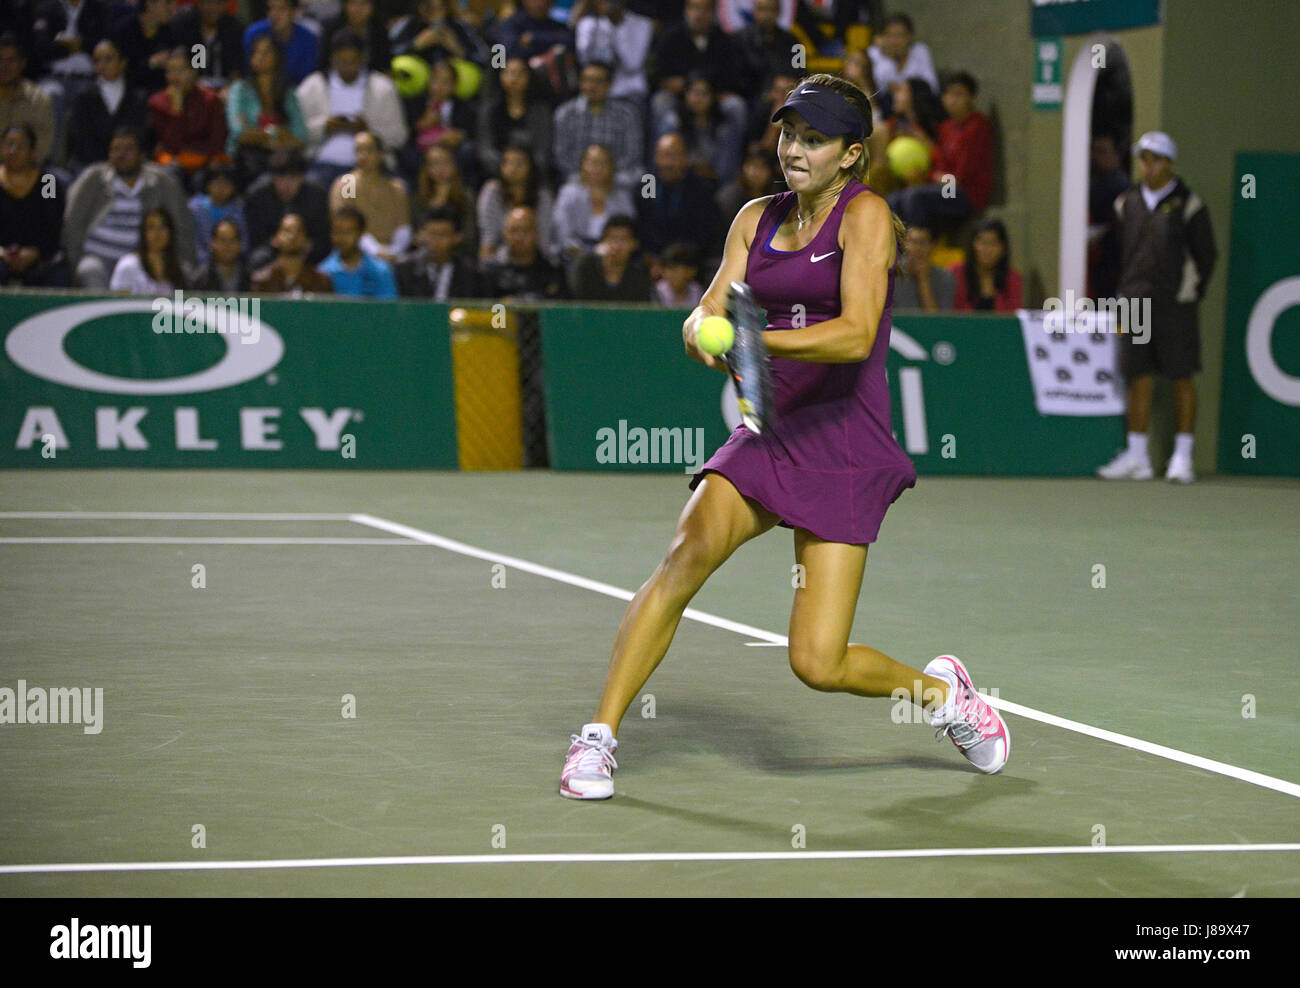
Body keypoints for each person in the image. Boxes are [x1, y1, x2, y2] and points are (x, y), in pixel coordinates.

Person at [560, 73, 1010, 800]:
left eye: (814, 138)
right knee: (684, 555)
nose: (794, 150)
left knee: (817, 663)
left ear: (852, 154)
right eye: (789, 134)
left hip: (845, 444)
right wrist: (700, 334)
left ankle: (945, 696)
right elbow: (705, 311)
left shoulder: (865, 219)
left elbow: (858, 333)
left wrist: (758, 340)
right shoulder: (754, 218)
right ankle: (598, 739)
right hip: (768, 435)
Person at [1097, 131, 1216, 484]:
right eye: (1143, 159)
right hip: (1133, 301)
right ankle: (1137, 458)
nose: (1147, 166)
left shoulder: (1189, 203)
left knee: (1181, 377)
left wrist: (1188, 291)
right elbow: (1114, 254)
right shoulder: (1126, 202)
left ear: (1170, 164)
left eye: (1154, 159)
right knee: (1138, 376)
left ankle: (1182, 457)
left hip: (1175, 304)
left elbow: (1206, 255)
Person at [64, 126, 195, 288]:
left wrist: (185, 263)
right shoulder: (93, 179)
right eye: (115, 149)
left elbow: (182, 227)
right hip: (98, 257)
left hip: (144, 262)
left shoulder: (163, 183)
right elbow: (72, 224)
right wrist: (74, 264)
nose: (121, 155)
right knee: (89, 269)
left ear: (142, 155)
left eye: (128, 149)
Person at [296, 29, 408, 188]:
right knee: (321, 193)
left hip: (370, 166)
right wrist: (325, 126)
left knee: (397, 189)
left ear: (363, 59)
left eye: (353, 62)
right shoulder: (313, 86)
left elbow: (399, 136)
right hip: (325, 164)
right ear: (332, 60)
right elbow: (297, 133)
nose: (348, 67)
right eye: (342, 62)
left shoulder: (383, 88)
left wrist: (368, 130)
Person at [887, 71, 993, 233]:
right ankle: (896, 249)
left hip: (966, 193)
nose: (952, 100)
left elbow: (961, 175)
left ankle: (917, 247)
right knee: (894, 199)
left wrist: (937, 177)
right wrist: (933, 176)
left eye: (959, 94)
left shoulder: (977, 126)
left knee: (915, 197)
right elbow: (940, 164)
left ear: (971, 97)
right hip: (945, 185)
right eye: (948, 95)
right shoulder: (946, 127)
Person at [225, 32, 308, 177]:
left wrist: (258, 134)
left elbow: (301, 136)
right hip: (246, 158)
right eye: (256, 52)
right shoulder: (240, 89)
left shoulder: (288, 93)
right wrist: (278, 135)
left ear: (277, 57)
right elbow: (239, 132)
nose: (260, 57)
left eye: (266, 52)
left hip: (282, 160)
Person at [553, 60, 643, 192]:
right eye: (587, 80)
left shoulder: (626, 114)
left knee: (645, 178)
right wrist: (589, 177)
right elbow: (562, 156)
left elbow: (632, 154)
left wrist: (606, 177)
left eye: (598, 81)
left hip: (616, 179)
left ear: (609, 85)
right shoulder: (565, 113)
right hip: (578, 179)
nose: (591, 86)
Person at [64, 39, 152, 174]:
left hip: (131, 166)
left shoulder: (137, 98)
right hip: (91, 166)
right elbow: (81, 139)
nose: (102, 66)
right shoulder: (84, 97)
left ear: (122, 63)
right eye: (97, 61)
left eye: (108, 59)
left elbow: (141, 136)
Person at [328, 130, 410, 262]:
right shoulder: (347, 183)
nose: (362, 156)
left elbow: (403, 227)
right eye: (358, 151)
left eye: (368, 150)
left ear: (381, 154)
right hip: (358, 255)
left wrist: (394, 252)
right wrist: (376, 251)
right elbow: (345, 226)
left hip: (393, 254)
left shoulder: (396, 187)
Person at [243, 147, 331, 268]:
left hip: (307, 253)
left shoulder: (317, 196)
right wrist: (276, 242)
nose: (286, 185)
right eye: (281, 178)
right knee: (257, 259)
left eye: (293, 178)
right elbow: (254, 238)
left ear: (302, 178)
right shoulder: (257, 196)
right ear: (272, 177)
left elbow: (323, 239)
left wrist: (306, 244)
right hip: (271, 251)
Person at [148, 47, 228, 179]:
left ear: (193, 72)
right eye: (170, 71)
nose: (175, 77)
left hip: (205, 163)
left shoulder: (210, 100)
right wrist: (176, 110)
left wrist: (197, 159)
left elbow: (217, 142)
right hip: (172, 165)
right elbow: (171, 147)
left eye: (181, 71)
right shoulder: (157, 103)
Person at [0, 124, 65, 286]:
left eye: (20, 146)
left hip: (39, 255)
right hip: (1, 255)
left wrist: (33, 253)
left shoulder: (47, 182)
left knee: (58, 274)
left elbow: (53, 224)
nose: (13, 151)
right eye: (9, 145)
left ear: (33, 153)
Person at [475, 56, 554, 184]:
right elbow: (485, 148)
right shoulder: (489, 110)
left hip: (534, 178)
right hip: (498, 176)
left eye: (519, 74)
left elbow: (543, 151)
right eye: (509, 73)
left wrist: (526, 170)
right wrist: (506, 169)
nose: (514, 79)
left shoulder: (541, 111)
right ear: (501, 76)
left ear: (529, 77)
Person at [550, 142, 632, 263]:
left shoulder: (622, 198)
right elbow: (562, 235)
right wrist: (590, 254)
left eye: (603, 163)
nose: (598, 168)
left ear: (611, 167)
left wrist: (612, 250)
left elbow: (628, 233)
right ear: (583, 165)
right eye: (593, 162)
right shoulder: (568, 194)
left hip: (614, 259)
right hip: (574, 259)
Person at [475, 142, 551, 263]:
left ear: (530, 166)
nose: (512, 168)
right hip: (500, 259)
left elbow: (544, 239)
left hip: (533, 260)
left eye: (518, 163)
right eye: (507, 163)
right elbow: (488, 237)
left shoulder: (542, 195)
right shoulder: (492, 191)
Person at [480, 204, 566, 300]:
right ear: (504, 234)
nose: (519, 237)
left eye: (525, 230)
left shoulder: (552, 269)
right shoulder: (491, 269)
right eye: (513, 230)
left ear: (537, 234)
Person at [396, 206, 480, 299]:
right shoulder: (405, 271)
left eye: (442, 235)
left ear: (457, 237)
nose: (435, 241)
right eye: (431, 234)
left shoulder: (471, 274)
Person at [0, 34, 57, 167]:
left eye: (11, 60)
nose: (4, 66)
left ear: (22, 63)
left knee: (54, 179)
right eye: (0, 60)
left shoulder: (38, 99)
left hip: (29, 170)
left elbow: (45, 146)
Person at [568, 213, 652, 300]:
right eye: (613, 238)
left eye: (623, 240)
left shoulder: (639, 277)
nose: (617, 246)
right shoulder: (586, 267)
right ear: (603, 241)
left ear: (634, 244)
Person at [319, 205, 398, 297]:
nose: (341, 238)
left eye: (347, 232)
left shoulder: (381, 271)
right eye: (336, 232)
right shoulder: (324, 273)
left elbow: (389, 308)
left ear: (361, 233)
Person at [109, 205, 189, 293]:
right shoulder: (128, 266)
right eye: (151, 227)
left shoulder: (180, 269)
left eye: (162, 227)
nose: (157, 233)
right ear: (143, 232)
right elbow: (120, 303)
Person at [250, 211, 333, 294]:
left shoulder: (321, 281)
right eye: (287, 231)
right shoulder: (262, 281)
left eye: (298, 231)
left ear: (307, 241)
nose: (293, 236)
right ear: (275, 239)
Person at [951, 217, 1023, 312]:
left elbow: (1013, 317)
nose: (987, 249)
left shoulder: (1013, 279)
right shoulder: (956, 273)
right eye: (982, 243)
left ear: (1003, 248)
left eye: (993, 243)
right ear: (973, 245)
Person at [243, 0, 318, 88]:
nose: (274, 15)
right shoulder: (254, 34)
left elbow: (306, 81)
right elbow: (247, 72)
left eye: (281, 9)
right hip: (258, 92)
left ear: (294, 12)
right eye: (271, 8)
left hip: (295, 94)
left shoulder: (307, 40)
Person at [172, 0, 245, 89]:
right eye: (207, 2)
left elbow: (236, 70)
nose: (211, 8)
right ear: (199, 3)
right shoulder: (184, 27)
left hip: (226, 89)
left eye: (217, 3)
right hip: (191, 88)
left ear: (226, 4)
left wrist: (228, 91)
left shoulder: (235, 29)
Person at [188, 160, 248, 267]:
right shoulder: (195, 208)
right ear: (208, 185)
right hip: (201, 264)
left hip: (233, 263)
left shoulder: (238, 209)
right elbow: (193, 243)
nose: (221, 188)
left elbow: (243, 242)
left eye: (226, 184)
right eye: (217, 183)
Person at [866, 12, 938, 93]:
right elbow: (870, 88)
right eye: (889, 35)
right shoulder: (873, 53)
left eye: (899, 35)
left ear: (910, 37)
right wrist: (887, 60)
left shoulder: (920, 51)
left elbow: (932, 87)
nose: (894, 41)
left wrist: (905, 88)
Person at [891, 224, 953, 312]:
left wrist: (924, 281)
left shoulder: (945, 277)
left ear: (932, 246)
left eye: (922, 243)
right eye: (911, 241)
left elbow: (938, 321)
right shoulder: (890, 274)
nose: (916, 248)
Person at [193, 216, 250, 291]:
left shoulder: (250, 277)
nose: (228, 245)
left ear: (240, 244)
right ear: (212, 244)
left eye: (232, 240)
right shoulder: (200, 278)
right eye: (222, 240)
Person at [654, 240, 702, 307]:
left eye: (674, 269)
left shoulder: (698, 292)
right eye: (667, 269)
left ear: (691, 271)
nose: (669, 274)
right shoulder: (656, 292)